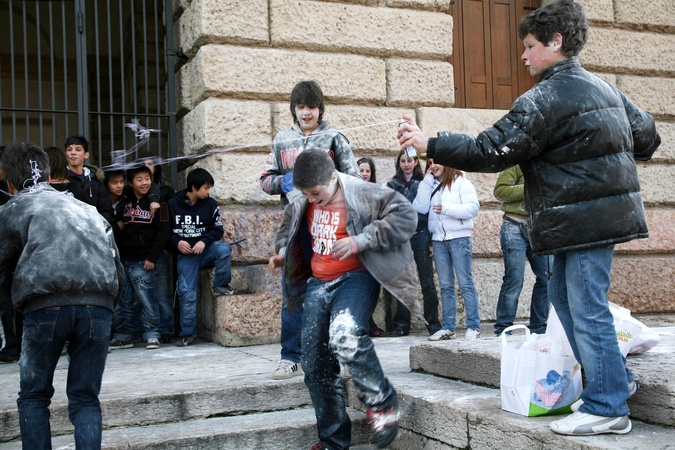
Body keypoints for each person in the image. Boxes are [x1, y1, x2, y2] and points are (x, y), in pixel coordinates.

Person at [397, 0, 660, 436]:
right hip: (587, 220)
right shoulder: (605, 89)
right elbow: (647, 137)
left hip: (584, 221)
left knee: (585, 305)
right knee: (563, 297)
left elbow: (489, 150)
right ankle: (615, 380)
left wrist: (431, 144)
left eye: (530, 45)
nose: (523, 55)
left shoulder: (545, 98)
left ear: (555, 42)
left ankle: (609, 404)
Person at [267, 150, 419, 449]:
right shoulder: (302, 197)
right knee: (314, 365)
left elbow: (405, 216)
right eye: (306, 194)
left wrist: (359, 240)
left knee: (344, 334)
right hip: (317, 282)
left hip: (356, 277)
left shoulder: (362, 191)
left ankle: (382, 405)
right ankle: (333, 442)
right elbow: (289, 226)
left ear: (333, 177)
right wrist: (282, 253)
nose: (312, 199)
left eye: (316, 193)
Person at [0, 142, 123, 449]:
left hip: (45, 305)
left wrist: (13, 304)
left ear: (9, 182)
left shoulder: (13, 208)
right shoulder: (86, 209)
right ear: (47, 174)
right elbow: (116, 265)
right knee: (85, 398)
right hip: (98, 304)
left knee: (34, 396)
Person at [260, 80, 359, 380]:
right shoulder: (282, 140)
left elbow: (354, 178)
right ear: (294, 109)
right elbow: (265, 180)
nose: (306, 113)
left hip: (328, 225)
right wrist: (284, 181)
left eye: (312, 107)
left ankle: (335, 356)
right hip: (295, 226)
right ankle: (290, 357)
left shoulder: (334, 138)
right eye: (301, 107)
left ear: (320, 109)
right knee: (293, 292)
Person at [412, 159, 481, 340]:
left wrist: (447, 209)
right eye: (430, 163)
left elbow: (473, 208)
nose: (433, 166)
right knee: (445, 286)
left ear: (447, 163)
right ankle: (449, 328)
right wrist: (426, 181)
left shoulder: (461, 181)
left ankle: (473, 326)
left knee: (465, 283)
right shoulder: (431, 184)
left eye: (437, 162)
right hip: (438, 240)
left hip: (459, 238)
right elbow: (419, 207)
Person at [169, 168, 234, 347]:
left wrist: (203, 241)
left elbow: (218, 230)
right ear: (193, 187)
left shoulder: (211, 204)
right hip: (185, 256)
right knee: (187, 293)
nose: (208, 191)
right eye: (205, 188)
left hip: (205, 250)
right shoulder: (173, 204)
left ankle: (221, 285)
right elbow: (165, 233)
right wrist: (177, 243)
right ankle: (188, 334)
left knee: (224, 249)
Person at [109, 164, 172, 350]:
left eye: (147, 179)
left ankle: (152, 334)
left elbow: (163, 232)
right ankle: (124, 335)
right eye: (139, 179)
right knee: (124, 301)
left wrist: (152, 257)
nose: (145, 183)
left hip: (145, 260)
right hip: (125, 259)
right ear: (130, 183)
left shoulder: (158, 202)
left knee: (148, 299)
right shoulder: (125, 200)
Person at [386, 150, 442, 336]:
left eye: (409, 160)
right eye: (403, 161)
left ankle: (433, 323)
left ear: (416, 161)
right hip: (401, 239)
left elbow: (431, 212)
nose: (406, 164)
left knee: (427, 282)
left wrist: (431, 240)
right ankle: (402, 325)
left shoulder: (425, 182)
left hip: (421, 236)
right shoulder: (392, 185)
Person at [493, 165, 551, 336]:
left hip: (540, 229)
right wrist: (530, 187)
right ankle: (503, 328)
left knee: (547, 278)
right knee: (514, 279)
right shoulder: (517, 164)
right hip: (514, 225)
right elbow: (500, 191)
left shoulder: (551, 163)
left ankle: (539, 329)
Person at [140, 151, 176, 343]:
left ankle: (167, 329)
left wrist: (169, 247)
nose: (147, 167)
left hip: (161, 247)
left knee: (162, 293)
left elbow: (169, 223)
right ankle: (142, 330)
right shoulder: (133, 191)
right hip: (138, 250)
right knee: (140, 294)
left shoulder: (166, 191)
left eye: (151, 163)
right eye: (143, 163)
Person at [356, 157, 386, 338]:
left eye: (368, 171)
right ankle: (363, 324)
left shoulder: (377, 192)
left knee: (374, 286)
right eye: (362, 170)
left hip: (373, 245)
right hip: (356, 245)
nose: (365, 174)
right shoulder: (349, 191)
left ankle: (368, 322)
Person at [64, 135, 114, 223]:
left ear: (86, 154)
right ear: (65, 154)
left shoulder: (95, 178)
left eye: (78, 149)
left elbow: (105, 209)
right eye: (69, 149)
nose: (73, 153)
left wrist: (99, 226)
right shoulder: (61, 177)